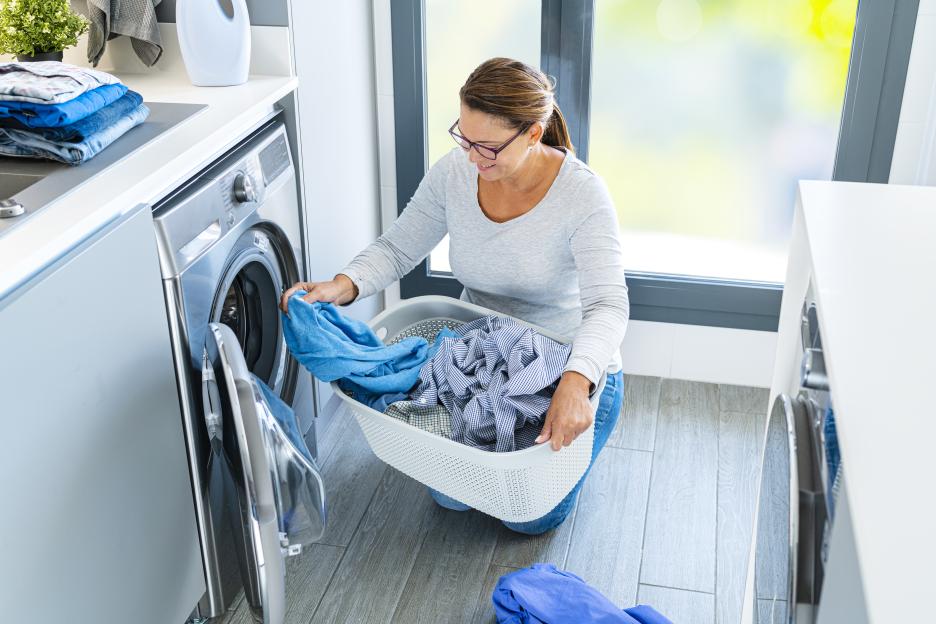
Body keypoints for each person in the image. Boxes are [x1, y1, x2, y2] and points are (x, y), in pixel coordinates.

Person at [280, 57, 629, 535]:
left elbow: (609, 305)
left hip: (567, 366)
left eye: (487, 146)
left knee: (525, 520)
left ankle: (575, 457)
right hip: (478, 355)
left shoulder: (582, 197)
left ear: (533, 132)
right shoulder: (457, 174)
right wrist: (342, 286)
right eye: (463, 137)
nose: (471, 157)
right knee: (452, 498)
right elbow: (399, 245)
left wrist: (575, 383)